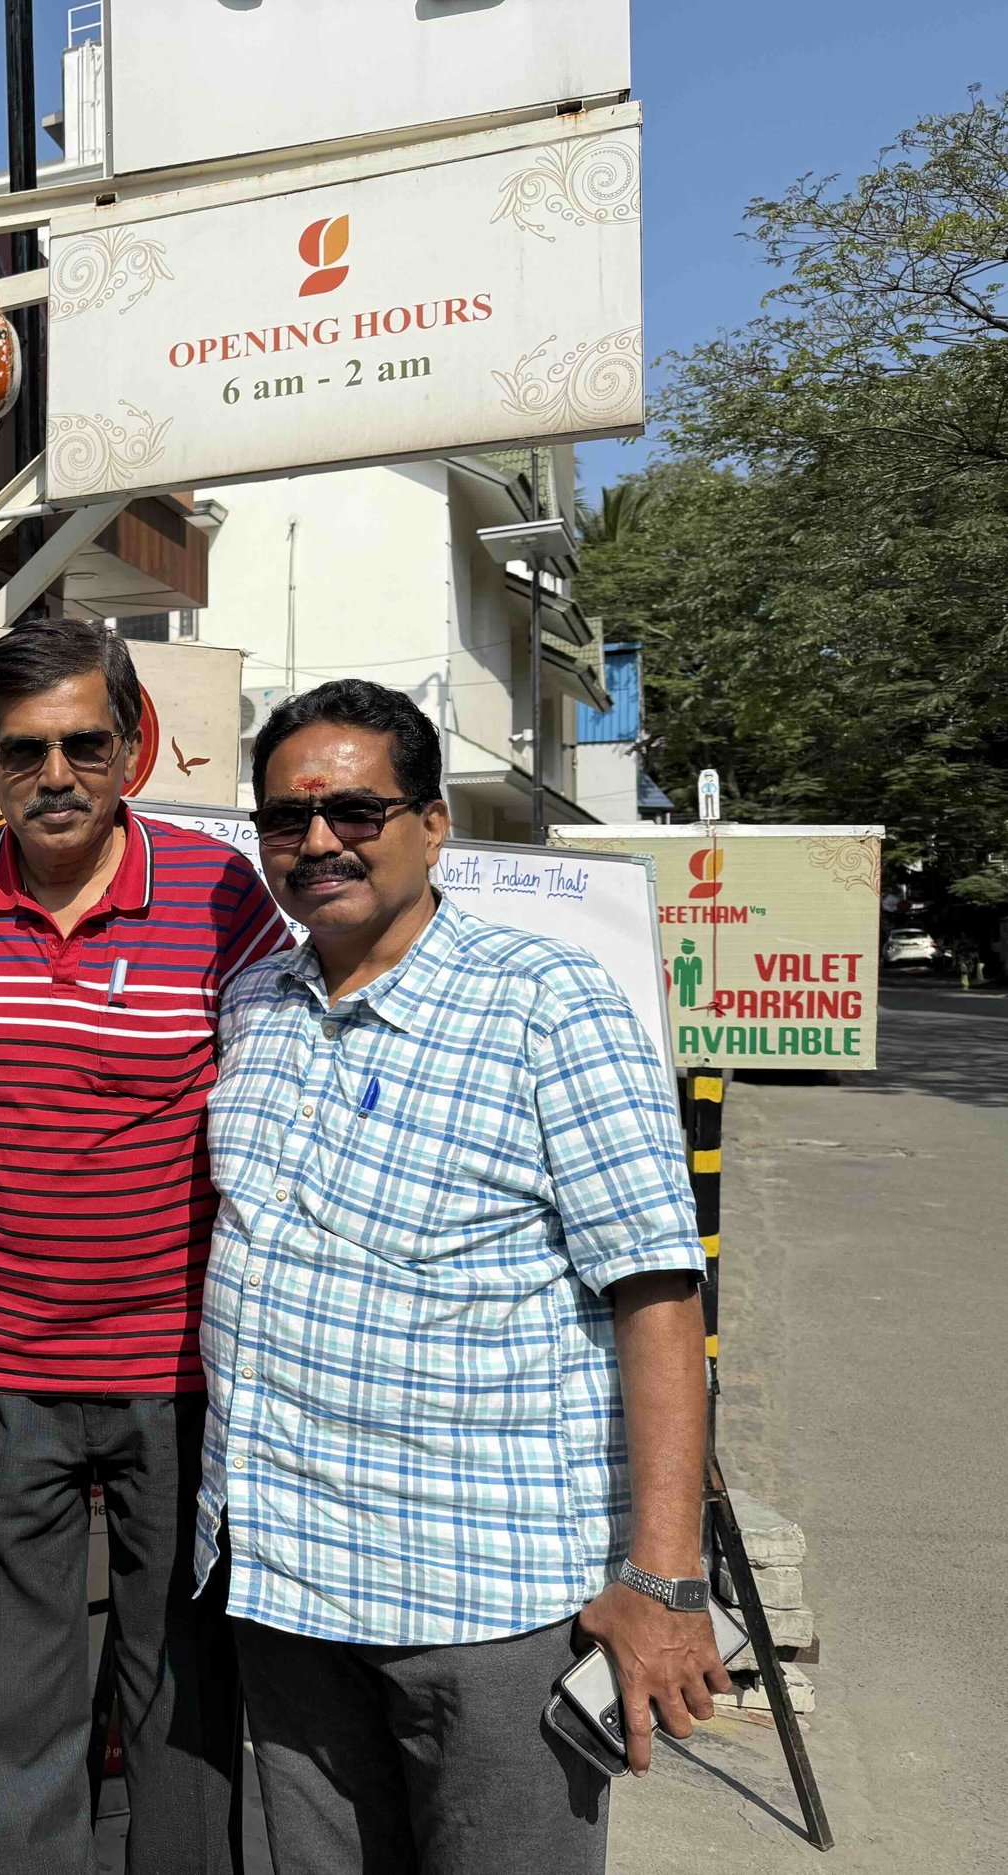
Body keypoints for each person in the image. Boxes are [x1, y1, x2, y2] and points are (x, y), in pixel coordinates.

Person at [200, 678, 725, 1874]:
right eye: (285, 817)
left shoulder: (546, 1005)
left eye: (355, 811)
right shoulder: (254, 1004)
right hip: (286, 1583)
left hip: (486, 1604)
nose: (318, 841)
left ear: (432, 824)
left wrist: (662, 1577)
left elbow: (655, 1295)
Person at [0, 620, 289, 1875]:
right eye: (23, 751)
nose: (56, 775)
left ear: (134, 749)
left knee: (181, 1688)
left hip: (178, 1371)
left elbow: (282, 1095)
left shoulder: (221, 894)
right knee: (12, 1696)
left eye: (84, 744)